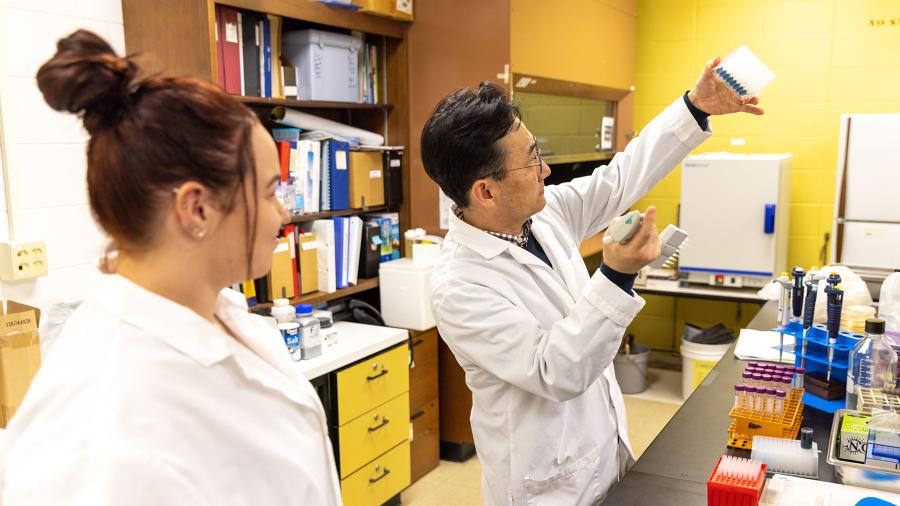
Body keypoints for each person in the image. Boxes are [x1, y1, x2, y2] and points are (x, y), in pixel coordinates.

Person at [0, 30, 342, 505]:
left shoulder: (217, 310)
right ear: (196, 209)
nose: (283, 216)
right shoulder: (104, 434)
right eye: (267, 192)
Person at [422, 58, 763, 505]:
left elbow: (620, 179)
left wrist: (695, 107)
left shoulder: (543, 214)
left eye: (538, 153)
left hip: (602, 449)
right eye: (531, 163)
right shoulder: (460, 286)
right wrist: (617, 274)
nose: (545, 171)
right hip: (547, 484)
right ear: (485, 192)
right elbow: (556, 370)